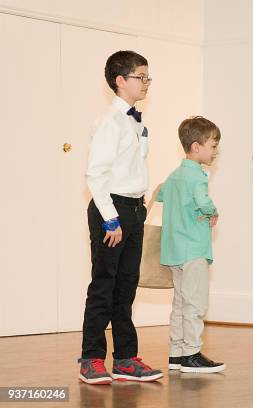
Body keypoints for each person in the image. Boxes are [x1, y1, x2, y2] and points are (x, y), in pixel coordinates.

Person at [80, 50, 162, 384]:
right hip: (110, 210)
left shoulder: (134, 119)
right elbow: (95, 174)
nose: (146, 83)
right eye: (140, 76)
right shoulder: (110, 121)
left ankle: (126, 358)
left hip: (133, 209)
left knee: (126, 287)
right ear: (120, 81)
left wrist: (134, 211)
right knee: (104, 285)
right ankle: (91, 359)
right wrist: (110, 219)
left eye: (147, 77)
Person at [157, 116, 226, 374]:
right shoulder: (198, 176)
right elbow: (203, 201)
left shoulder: (174, 176)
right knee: (195, 303)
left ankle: (176, 353)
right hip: (193, 249)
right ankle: (192, 353)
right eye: (212, 145)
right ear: (196, 147)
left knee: (179, 303)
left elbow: (162, 195)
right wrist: (213, 211)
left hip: (173, 250)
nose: (215, 151)